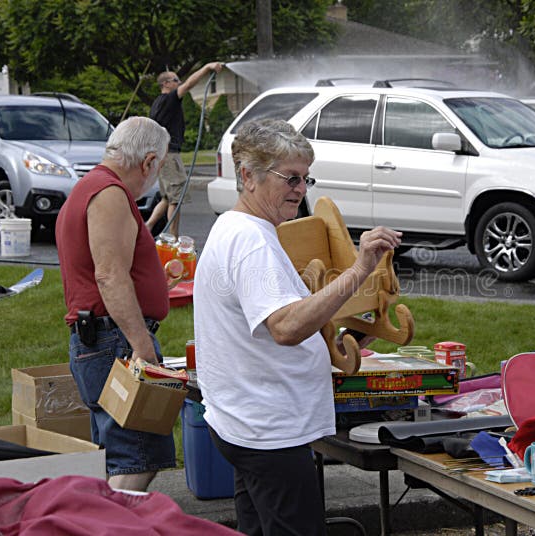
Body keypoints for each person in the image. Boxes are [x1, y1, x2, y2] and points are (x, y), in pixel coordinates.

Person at [193, 119, 402, 536]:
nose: (300, 189)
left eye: (305, 178)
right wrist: (361, 268)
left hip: (246, 423)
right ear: (248, 176)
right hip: (267, 430)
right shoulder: (251, 240)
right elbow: (286, 327)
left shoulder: (237, 228)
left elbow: (284, 317)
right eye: (290, 178)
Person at [56, 116, 174, 492]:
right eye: (160, 166)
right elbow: (109, 275)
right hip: (115, 341)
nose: (155, 177)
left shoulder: (92, 186)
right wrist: (143, 348)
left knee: (118, 454)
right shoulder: (109, 192)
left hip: (103, 337)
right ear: (148, 162)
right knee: (136, 457)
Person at [145, 61, 223, 237]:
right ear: (166, 84)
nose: (179, 82)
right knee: (176, 198)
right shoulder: (170, 99)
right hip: (170, 155)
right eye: (175, 79)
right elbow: (188, 85)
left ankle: (148, 226)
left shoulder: (157, 103)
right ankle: (173, 238)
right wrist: (207, 67)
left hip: (161, 155)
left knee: (167, 197)